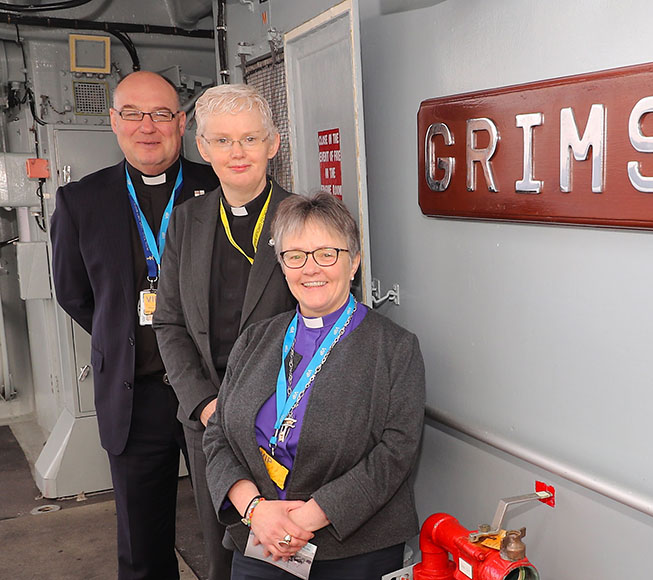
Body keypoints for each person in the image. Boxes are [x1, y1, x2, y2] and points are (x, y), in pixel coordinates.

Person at [50, 70, 220, 579]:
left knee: (232, 530)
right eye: (133, 114)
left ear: (182, 123)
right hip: (134, 397)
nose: (148, 127)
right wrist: (126, 342)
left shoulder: (216, 187)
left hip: (213, 393)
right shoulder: (81, 201)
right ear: (113, 122)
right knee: (142, 547)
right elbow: (74, 295)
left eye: (162, 114)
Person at [203, 193, 425, 580]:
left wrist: (309, 516)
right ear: (282, 265)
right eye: (296, 255)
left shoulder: (395, 349)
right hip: (260, 540)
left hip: (354, 551)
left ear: (353, 261)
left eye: (327, 253)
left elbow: (395, 454)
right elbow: (219, 433)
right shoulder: (255, 339)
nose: (311, 269)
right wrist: (256, 510)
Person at [153, 83, 297, 580]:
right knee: (222, 557)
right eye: (223, 140)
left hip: (286, 420)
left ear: (273, 144)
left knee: (288, 553)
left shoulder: (306, 218)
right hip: (209, 419)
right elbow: (168, 321)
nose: (237, 153)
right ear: (203, 148)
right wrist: (203, 404)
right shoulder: (186, 221)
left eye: (250, 139)